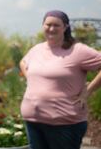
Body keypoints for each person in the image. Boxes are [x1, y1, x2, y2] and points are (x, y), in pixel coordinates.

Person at [20, 10, 101, 149]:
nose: (51, 28)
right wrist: (32, 81)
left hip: (65, 124)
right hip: (33, 121)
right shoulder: (37, 49)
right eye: (48, 24)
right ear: (43, 26)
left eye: (56, 25)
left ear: (65, 27)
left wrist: (88, 90)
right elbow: (23, 63)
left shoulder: (78, 50)